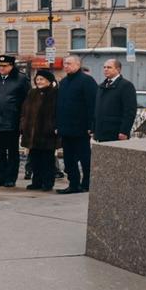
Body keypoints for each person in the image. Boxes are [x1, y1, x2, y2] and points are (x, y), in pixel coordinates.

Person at [54, 55, 97, 195]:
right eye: (65, 64)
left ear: (78, 65)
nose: (66, 66)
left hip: (81, 128)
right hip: (66, 128)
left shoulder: (87, 81)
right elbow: (59, 106)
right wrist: (58, 125)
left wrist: (92, 125)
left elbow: (92, 105)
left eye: (69, 64)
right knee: (69, 159)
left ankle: (87, 183)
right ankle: (73, 184)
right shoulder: (64, 82)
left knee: (85, 158)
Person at [0, 55, 29, 189]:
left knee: (12, 151)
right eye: (0, 66)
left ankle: (11, 177)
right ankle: (1, 176)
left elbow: (27, 99)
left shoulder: (21, 79)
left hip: (13, 120)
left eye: (4, 66)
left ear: (11, 66)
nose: (1, 68)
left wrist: (21, 117)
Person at [21, 68, 59, 191]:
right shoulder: (32, 93)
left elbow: (57, 113)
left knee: (47, 160)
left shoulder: (54, 93)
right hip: (32, 133)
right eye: (37, 79)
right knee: (35, 159)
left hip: (47, 133)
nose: (39, 81)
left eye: (41, 79)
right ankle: (36, 181)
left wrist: (53, 127)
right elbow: (25, 110)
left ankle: (48, 183)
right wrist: (23, 125)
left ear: (49, 81)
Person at [95, 59, 138, 144]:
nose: (106, 69)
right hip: (101, 132)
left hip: (116, 132)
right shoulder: (101, 86)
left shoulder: (126, 85)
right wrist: (94, 129)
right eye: (104, 67)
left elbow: (130, 111)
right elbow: (96, 109)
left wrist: (124, 131)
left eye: (109, 67)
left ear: (118, 69)